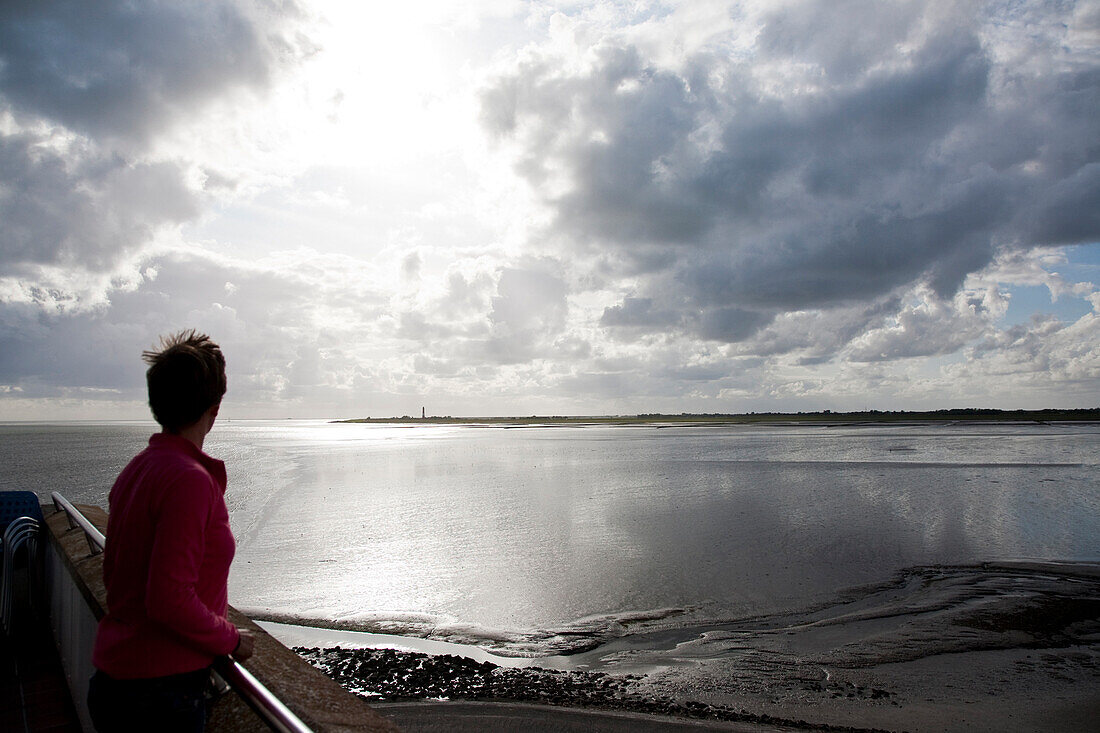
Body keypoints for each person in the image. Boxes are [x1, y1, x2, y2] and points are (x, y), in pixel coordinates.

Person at [88, 330, 255, 732]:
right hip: (161, 694)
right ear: (213, 409)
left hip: (120, 680)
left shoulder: (139, 469)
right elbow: (168, 598)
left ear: (156, 402)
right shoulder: (188, 480)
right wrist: (230, 639)